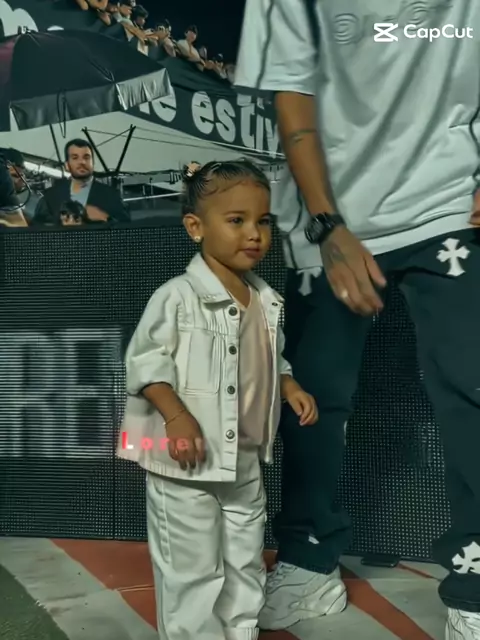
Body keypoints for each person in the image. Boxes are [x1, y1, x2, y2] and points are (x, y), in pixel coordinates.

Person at [235, 1, 480, 638]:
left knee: (471, 390)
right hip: (332, 216)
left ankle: (476, 588)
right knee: (311, 394)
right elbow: (292, 95)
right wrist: (326, 225)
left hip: (449, 204)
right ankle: (308, 562)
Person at [117, 159, 318, 640]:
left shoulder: (265, 301)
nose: (254, 234)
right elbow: (144, 364)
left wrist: (288, 385)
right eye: (236, 220)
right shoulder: (177, 296)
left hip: (243, 458)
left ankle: (240, 630)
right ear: (195, 227)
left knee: (245, 558)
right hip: (185, 463)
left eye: (262, 221)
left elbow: (269, 359)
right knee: (191, 568)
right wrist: (176, 416)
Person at [34, 139, 130, 225]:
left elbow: (128, 231)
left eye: (86, 157)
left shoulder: (112, 196)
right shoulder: (51, 197)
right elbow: (37, 229)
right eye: (75, 158)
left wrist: (105, 217)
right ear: (66, 165)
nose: (82, 162)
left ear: (93, 163)